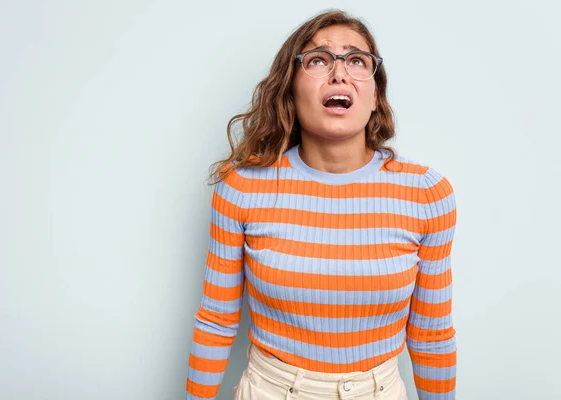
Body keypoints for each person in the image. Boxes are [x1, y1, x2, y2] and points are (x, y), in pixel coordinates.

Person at [185, 9, 457, 400]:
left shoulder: (426, 194)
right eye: (318, 59)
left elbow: (431, 335)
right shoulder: (240, 187)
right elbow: (216, 320)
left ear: (375, 95)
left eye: (356, 60)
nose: (339, 73)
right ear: (290, 89)